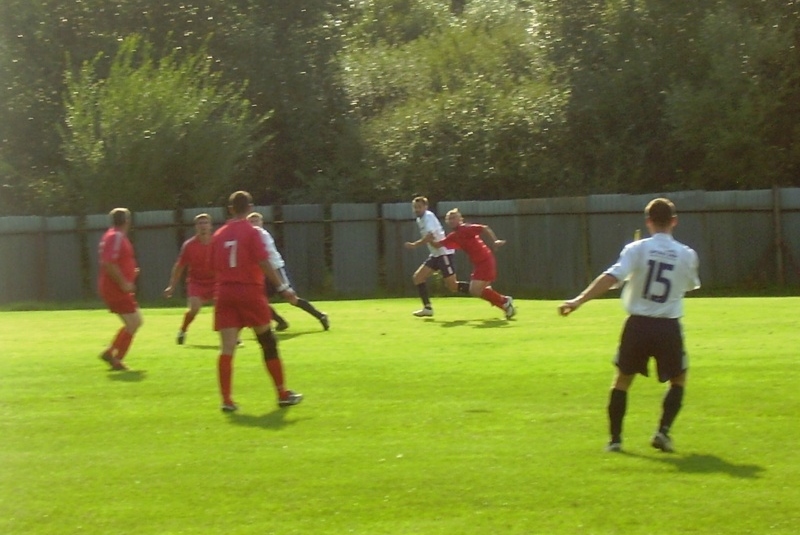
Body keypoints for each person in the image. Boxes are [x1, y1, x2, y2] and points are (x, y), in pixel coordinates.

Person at [558, 197, 700, 453]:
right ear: (674, 221)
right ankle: (663, 432)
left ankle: (615, 440)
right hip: (668, 325)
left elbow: (611, 277)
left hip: (637, 325)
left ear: (648, 222)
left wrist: (578, 300)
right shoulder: (687, 254)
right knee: (678, 378)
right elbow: (689, 285)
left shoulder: (636, 249)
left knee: (622, 380)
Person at [211, 191, 303, 412]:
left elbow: (213, 265)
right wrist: (283, 288)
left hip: (224, 293)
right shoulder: (253, 233)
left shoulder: (219, 235)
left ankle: (227, 400)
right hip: (249, 292)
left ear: (230, 209)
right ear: (250, 208)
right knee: (267, 341)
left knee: (227, 348)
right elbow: (263, 261)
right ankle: (282, 393)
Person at [422, 208, 515, 319]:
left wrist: (494, 241)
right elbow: (437, 245)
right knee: (479, 290)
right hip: (479, 263)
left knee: (475, 290)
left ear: (460, 219)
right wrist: (429, 239)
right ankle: (505, 304)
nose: (451, 220)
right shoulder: (454, 235)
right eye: (449, 219)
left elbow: (484, 228)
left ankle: (503, 300)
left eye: (453, 218)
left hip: (485, 260)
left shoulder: (466, 228)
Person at [247, 211, 329, 331]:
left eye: (256, 221)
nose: (254, 223)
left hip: (275, 269)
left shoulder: (261, 234)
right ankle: (281, 322)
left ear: (262, 222)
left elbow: (262, 255)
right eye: (251, 221)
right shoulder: (254, 234)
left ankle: (320, 316)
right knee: (258, 300)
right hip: (263, 271)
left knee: (291, 298)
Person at [403, 196, 469, 317]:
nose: (417, 209)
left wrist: (414, 245)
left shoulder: (428, 217)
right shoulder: (420, 219)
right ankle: (427, 308)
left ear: (425, 207)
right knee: (418, 278)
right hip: (435, 255)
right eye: (415, 207)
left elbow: (430, 237)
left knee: (453, 286)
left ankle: (482, 290)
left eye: (419, 207)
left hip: (444, 253)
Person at [97, 208, 143, 371]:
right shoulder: (116, 236)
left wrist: (130, 273)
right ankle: (116, 359)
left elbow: (115, 261)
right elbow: (109, 263)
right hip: (115, 288)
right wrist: (124, 282)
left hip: (115, 287)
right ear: (127, 221)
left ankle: (110, 352)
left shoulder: (114, 235)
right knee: (135, 322)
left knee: (133, 322)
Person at [163, 213, 215, 344]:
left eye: (205, 223)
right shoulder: (189, 245)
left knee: (225, 308)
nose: (203, 226)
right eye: (200, 223)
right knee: (194, 308)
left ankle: (234, 337)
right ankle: (183, 330)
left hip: (215, 282)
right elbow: (179, 266)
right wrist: (171, 286)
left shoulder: (217, 243)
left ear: (210, 226)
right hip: (196, 282)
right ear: (195, 227)